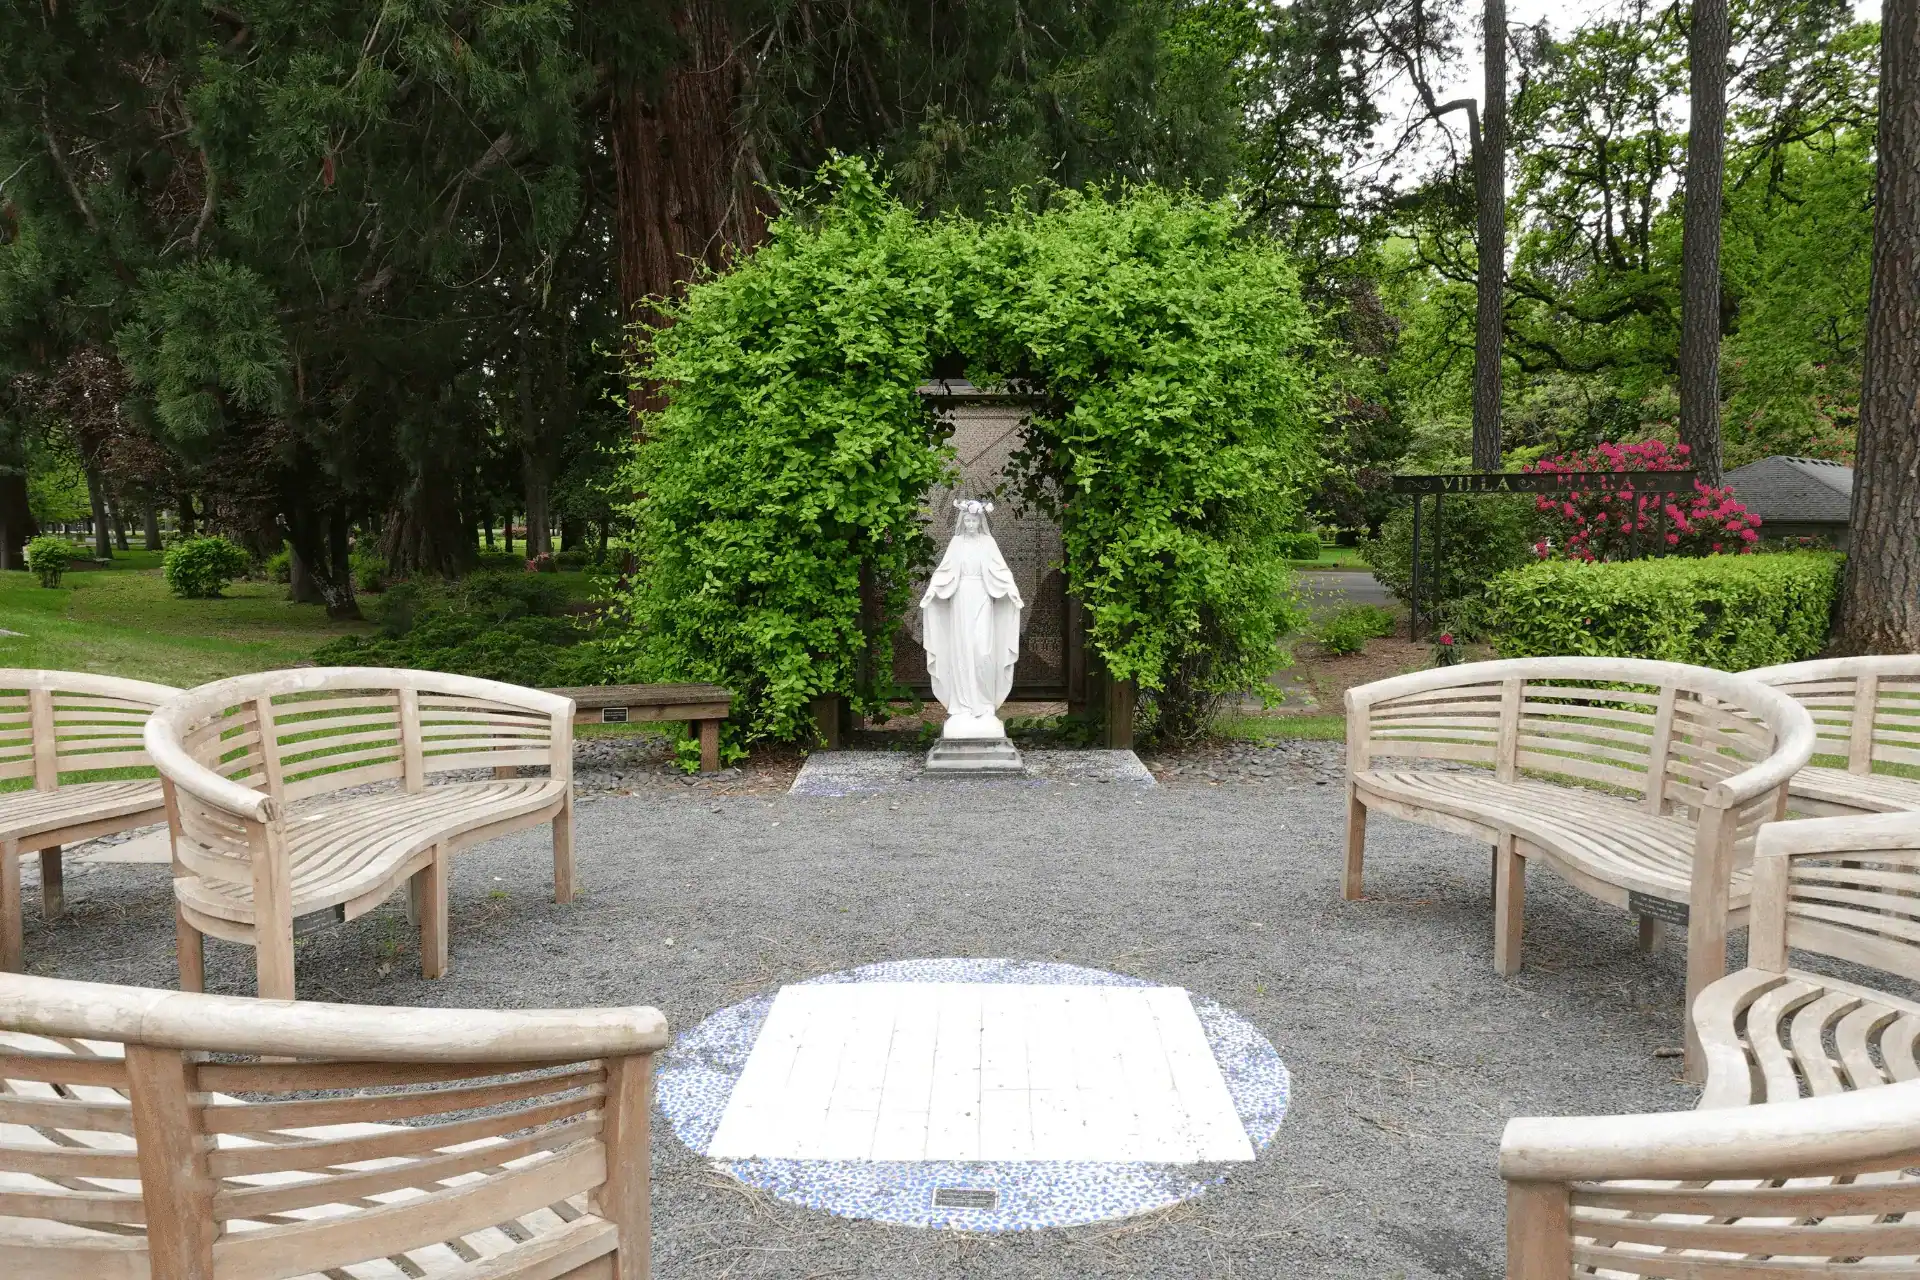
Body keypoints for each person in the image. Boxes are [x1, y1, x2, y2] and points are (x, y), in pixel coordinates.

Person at [920, 499, 1024, 738]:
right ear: (962, 521)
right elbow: (944, 571)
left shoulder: (988, 543)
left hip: (983, 598)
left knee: (982, 650)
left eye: (974, 520)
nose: (970, 523)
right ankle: (962, 706)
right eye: (966, 519)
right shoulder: (956, 543)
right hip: (960, 600)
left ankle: (985, 703)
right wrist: (931, 591)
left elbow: (1001, 570)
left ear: (980, 521)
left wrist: (1012, 591)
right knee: (962, 649)